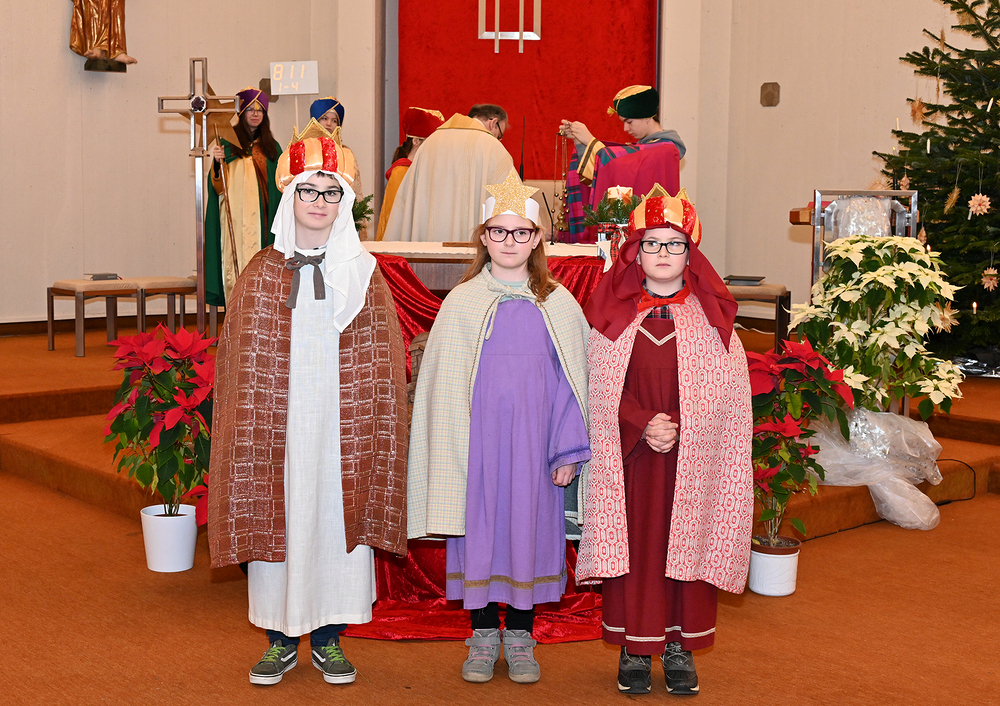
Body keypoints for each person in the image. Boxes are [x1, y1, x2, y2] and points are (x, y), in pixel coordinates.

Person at [207, 130, 409, 687]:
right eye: (309, 191)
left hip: (342, 425)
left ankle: (328, 637)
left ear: (344, 202)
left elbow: (382, 360)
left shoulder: (363, 273)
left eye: (331, 192)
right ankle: (279, 639)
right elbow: (241, 362)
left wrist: (370, 422)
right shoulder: (260, 272)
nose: (319, 202)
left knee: (334, 519)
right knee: (282, 516)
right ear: (290, 196)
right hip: (281, 426)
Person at [407, 169, 591, 684]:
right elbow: (442, 388)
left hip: (536, 449)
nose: (510, 241)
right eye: (499, 231)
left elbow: (574, 382)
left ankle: (522, 637)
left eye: (521, 232)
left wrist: (567, 451)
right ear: (484, 237)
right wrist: (450, 450)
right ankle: (484, 634)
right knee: (482, 535)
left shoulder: (559, 303)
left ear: (537, 238)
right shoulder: (462, 302)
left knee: (529, 534)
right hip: (478, 450)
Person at [576, 186, 753, 696]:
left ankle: (680, 646)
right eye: (651, 243)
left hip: (692, 458)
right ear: (634, 252)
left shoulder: (713, 320)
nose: (662, 254)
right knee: (635, 547)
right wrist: (640, 422)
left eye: (674, 244)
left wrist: (678, 423)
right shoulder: (611, 315)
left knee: (688, 542)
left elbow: (726, 394)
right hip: (630, 457)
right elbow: (596, 387)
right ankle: (634, 647)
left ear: (690, 254)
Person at [382, 104, 514, 242]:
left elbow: (407, 202)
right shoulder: (491, 147)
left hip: (428, 247)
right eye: (500, 135)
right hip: (469, 245)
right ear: (493, 123)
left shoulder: (431, 142)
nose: (498, 139)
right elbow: (511, 202)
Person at [204, 87, 283, 307]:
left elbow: (281, 184)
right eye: (250, 109)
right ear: (241, 113)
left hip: (263, 221)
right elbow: (218, 187)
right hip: (235, 219)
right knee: (235, 262)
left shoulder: (272, 147)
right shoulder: (227, 145)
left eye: (260, 110)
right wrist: (218, 163)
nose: (255, 114)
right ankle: (235, 310)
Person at [560, 85, 686, 185]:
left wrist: (590, 141)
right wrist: (581, 143)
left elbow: (619, 169)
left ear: (647, 117)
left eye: (629, 122)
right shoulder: (644, 147)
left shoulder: (666, 149)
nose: (625, 129)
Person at [375, 107, 445, 241]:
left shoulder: (428, 172)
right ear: (416, 141)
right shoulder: (401, 172)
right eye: (431, 143)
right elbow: (393, 220)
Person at [309, 97, 365, 203]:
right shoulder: (304, 149)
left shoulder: (345, 153)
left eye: (334, 120)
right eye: (324, 118)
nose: (329, 123)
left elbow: (355, 187)